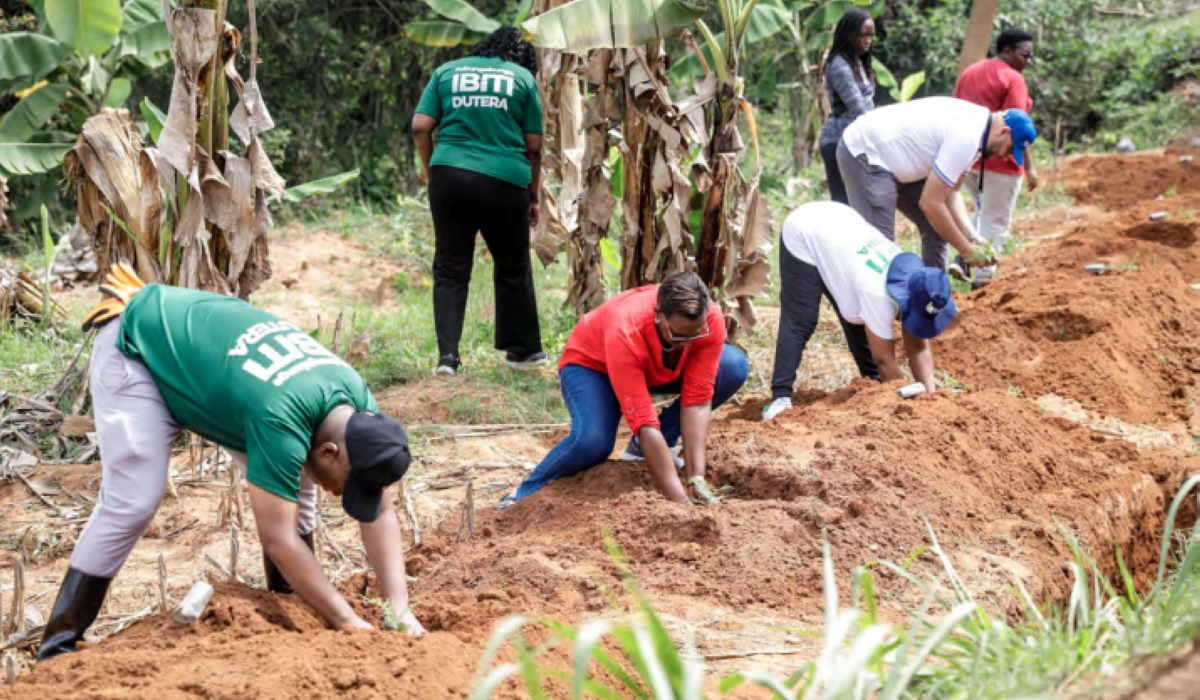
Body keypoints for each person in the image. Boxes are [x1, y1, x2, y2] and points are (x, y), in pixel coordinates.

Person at [38, 263, 425, 663]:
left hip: (218, 365)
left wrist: (399, 608)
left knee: (297, 485)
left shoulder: (358, 408)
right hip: (138, 348)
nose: (343, 494)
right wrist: (347, 621)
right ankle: (57, 646)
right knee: (134, 500)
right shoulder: (282, 421)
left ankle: (291, 600)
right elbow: (279, 539)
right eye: (348, 483)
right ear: (329, 452)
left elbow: (381, 508)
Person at [500, 273, 749, 507]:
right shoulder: (626, 329)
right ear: (658, 314)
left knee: (731, 367)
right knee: (592, 442)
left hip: (652, 367)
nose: (688, 344)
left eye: (696, 335)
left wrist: (696, 478)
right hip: (594, 368)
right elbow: (644, 423)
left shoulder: (709, 320)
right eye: (678, 336)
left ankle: (642, 451)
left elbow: (697, 401)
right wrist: (680, 503)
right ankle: (523, 492)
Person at [412, 26, 545, 377]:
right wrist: (534, 196)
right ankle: (522, 353)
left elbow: (421, 126)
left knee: (450, 268)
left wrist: (432, 171)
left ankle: (448, 359)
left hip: (449, 175)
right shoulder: (521, 78)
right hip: (505, 180)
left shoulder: (447, 71)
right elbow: (533, 145)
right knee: (512, 266)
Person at [764, 202, 958, 421]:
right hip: (807, 229)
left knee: (856, 311)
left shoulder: (918, 284)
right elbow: (884, 360)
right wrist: (910, 407)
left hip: (840, 229)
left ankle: (872, 383)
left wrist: (930, 398)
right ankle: (780, 397)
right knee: (802, 319)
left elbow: (919, 348)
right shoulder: (877, 294)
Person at [836, 96, 1037, 273]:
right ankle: (874, 311)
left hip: (897, 161)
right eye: (1010, 150)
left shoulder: (979, 135)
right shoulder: (968, 137)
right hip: (866, 151)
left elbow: (951, 195)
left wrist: (972, 237)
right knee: (880, 247)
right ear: (1003, 132)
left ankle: (934, 302)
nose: (1005, 157)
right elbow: (931, 204)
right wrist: (966, 250)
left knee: (937, 227)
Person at [951, 27, 1039, 287]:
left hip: (967, 157)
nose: (1028, 62)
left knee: (982, 210)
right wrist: (1030, 167)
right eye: (1026, 55)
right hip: (1000, 160)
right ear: (1008, 51)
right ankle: (983, 281)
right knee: (996, 219)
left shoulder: (970, 72)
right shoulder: (1013, 79)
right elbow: (1016, 127)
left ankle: (963, 257)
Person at [819, 8, 876, 204]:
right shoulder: (839, 66)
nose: (868, 40)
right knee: (844, 202)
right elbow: (858, 108)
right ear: (849, 35)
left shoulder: (858, 62)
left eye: (871, 35)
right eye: (863, 35)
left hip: (854, 137)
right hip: (838, 139)